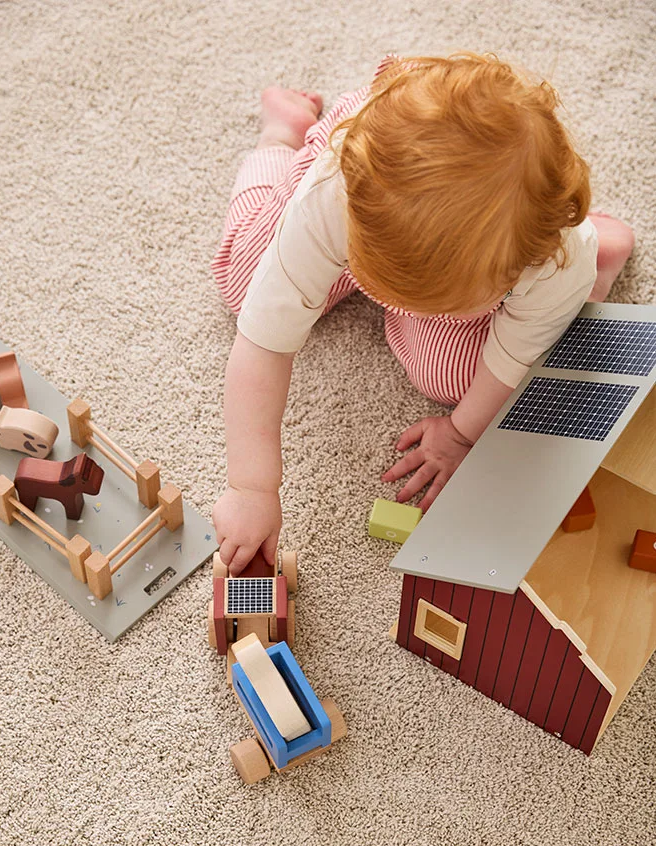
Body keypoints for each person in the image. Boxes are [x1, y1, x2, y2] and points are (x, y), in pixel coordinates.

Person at [211, 52, 634, 575]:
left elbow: (513, 359)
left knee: (457, 378)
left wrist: (460, 432)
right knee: (241, 285)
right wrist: (251, 487)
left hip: (509, 256)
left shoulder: (550, 255)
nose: (398, 308)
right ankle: (281, 135)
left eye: (427, 303)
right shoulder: (334, 192)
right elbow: (262, 344)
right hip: (359, 193)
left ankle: (593, 266)